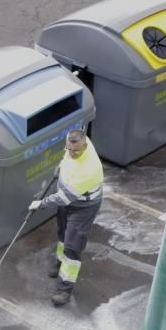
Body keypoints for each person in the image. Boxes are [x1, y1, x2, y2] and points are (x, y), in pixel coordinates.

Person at [29, 129, 104, 306]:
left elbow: (64, 198)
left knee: (72, 244)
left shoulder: (90, 168)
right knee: (63, 234)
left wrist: (41, 203)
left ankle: (64, 288)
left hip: (82, 208)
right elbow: (68, 157)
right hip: (67, 201)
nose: (71, 153)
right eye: (68, 149)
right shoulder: (74, 144)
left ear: (85, 146)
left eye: (75, 151)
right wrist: (61, 167)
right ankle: (60, 263)